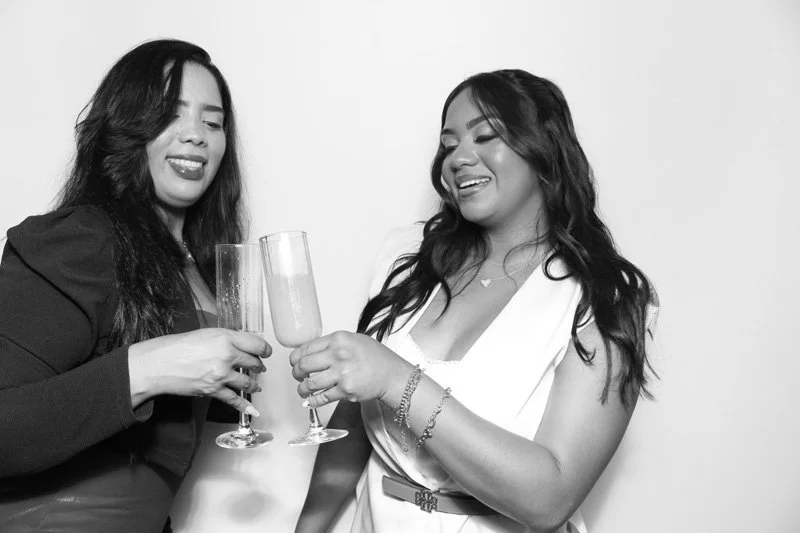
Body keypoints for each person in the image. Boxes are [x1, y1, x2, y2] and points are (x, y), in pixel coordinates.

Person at [291, 69, 658, 533]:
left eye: (485, 136)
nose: (459, 158)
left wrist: (393, 377)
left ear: (544, 150)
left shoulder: (604, 296)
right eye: (449, 145)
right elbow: (355, 419)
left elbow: (551, 499)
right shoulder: (406, 258)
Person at [0, 39, 270, 532]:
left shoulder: (197, 264)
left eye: (212, 123)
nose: (196, 135)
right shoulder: (80, 238)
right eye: (170, 115)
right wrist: (148, 368)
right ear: (126, 128)